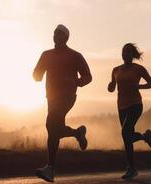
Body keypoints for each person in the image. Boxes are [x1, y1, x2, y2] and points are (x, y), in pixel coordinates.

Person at [33, 24, 92, 182]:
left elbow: (88, 77)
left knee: (50, 123)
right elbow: (36, 75)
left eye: (58, 34)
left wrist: (75, 82)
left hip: (67, 96)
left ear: (65, 38)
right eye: (54, 34)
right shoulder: (46, 55)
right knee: (53, 129)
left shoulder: (75, 56)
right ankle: (77, 133)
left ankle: (50, 168)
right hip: (50, 97)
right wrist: (37, 73)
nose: (55, 36)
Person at [108, 43, 151, 179]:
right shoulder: (115, 70)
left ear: (132, 55)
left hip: (135, 105)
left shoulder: (139, 69)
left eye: (128, 52)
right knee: (127, 135)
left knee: (125, 132)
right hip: (121, 106)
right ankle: (145, 137)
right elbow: (111, 88)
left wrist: (139, 86)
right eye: (123, 52)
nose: (125, 54)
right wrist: (110, 85)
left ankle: (132, 168)